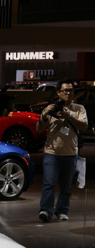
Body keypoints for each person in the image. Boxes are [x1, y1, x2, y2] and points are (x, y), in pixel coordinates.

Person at [37, 80, 88, 222]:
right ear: (58, 93)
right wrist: (44, 114)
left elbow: (84, 126)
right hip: (51, 153)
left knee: (66, 187)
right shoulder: (51, 108)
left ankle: (62, 211)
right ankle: (45, 210)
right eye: (65, 90)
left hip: (70, 153)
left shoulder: (79, 109)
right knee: (49, 183)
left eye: (70, 90)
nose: (68, 93)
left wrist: (69, 116)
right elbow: (39, 129)